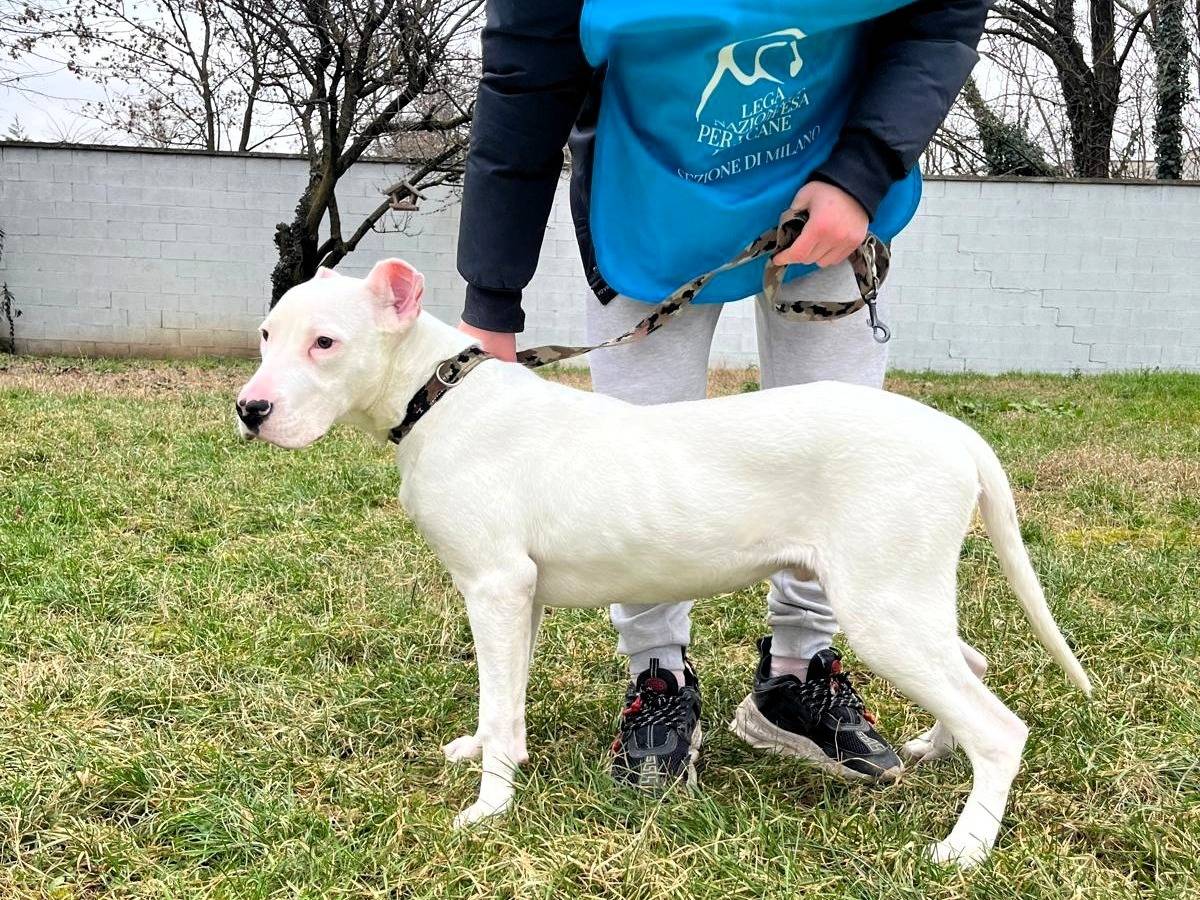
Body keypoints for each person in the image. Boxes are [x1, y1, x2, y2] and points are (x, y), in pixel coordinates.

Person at [455, 0, 990, 789]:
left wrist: (864, 169)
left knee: (836, 454)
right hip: (651, 197)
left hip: (832, 174)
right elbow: (524, 79)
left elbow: (942, 16)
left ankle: (797, 673)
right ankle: (656, 676)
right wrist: (490, 300)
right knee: (633, 463)